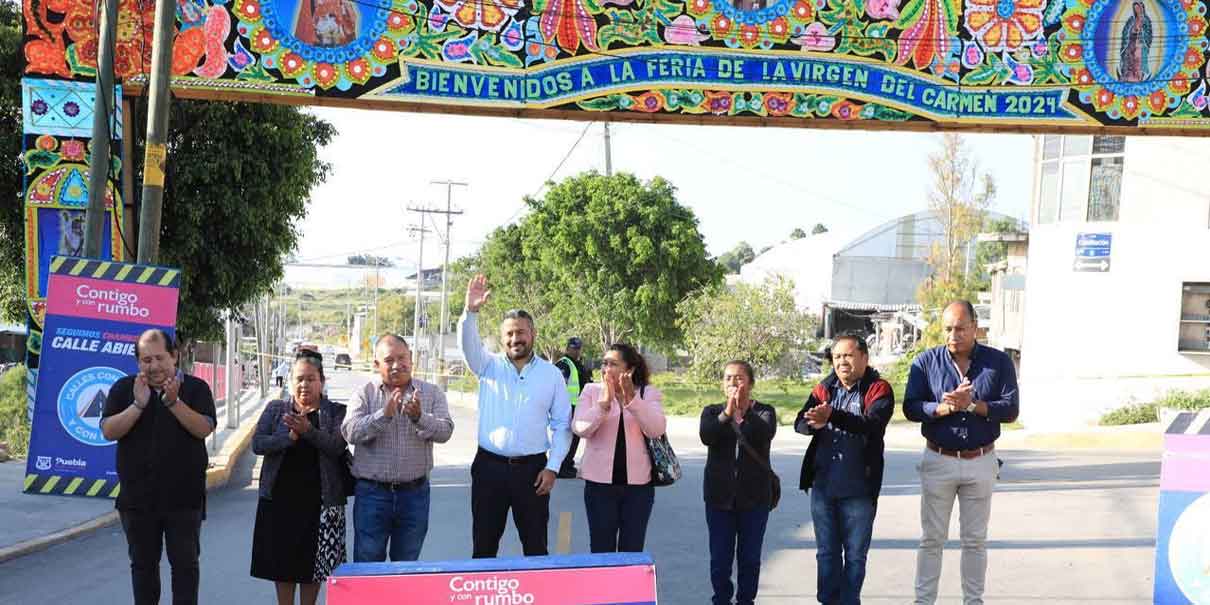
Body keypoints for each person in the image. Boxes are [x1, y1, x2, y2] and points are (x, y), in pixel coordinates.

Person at [903, 300, 1019, 605]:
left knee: (975, 541)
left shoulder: (999, 362)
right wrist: (943, 408)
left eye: (960, 328)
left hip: (980, 461)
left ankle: (973, 601)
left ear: (975, 327)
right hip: (938, 459)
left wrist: (971, 405)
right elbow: (911, 406)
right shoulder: (926, 361)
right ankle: (924, 601)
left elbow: (1010, 410)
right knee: (932, 540)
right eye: (948, 329)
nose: (953, 335)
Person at [458, 274, 573, 558]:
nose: (515, 339)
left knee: (535, 547)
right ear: (502, 338)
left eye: (521, 332)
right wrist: (470, 312)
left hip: (532, 472)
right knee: (484, 547)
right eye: (509, 333)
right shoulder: (487, 366)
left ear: (532, 334)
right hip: (489, 469)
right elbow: (468, 347)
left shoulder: (551, 375)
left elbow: (562, 425)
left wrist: (553, 467)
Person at [100, 329, 217, 605]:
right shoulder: (123, 389)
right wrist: (138, 405)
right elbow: (108, 430)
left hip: (184, 500)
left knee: (185, 568)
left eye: (160, 358)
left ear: (174, 356)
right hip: (137, 502)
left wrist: (174, 402)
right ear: (138, 362)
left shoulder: (197, 388)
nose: (153, 366)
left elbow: (204, 428)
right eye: (146, 360)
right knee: (143, 569)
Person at [795, 333, 895, 605]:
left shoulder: (879, 389)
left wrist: (832, 416)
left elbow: (872, 425)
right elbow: (799, 423)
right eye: (837, 357)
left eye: (848, 355)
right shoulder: (824, 389)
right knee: (826, 553)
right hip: (823, 486)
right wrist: (811, 422)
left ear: (864, 357)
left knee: (854, 556)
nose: (842, 362)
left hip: (859, 489)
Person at [342, 334, 454, 562]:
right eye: (388, 360)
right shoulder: (364, 394)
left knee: (406, 566)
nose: (396, 365)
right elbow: (349, 432)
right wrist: (383, 415)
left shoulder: (431, 393)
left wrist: (419, 417)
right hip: (372, 494)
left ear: (411, 359)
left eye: (402, 358)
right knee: (368, 564)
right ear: (376, 365)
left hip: (415, 495)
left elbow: (445, 431)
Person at [250, 352, 350, 605]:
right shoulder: (276, 409)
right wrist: (287, 439)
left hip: (321, 503)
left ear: (322, 381)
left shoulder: (336, 412)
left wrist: (308, 431)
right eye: (299, 379)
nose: (304, 384)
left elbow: (337, 446)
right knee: (281, 567)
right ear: (290, 382)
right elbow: (258, 443)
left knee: (314, 568)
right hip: (279, 503)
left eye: (310, 378)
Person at [572, 343, 666, 553]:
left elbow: (656, 428)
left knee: (632, 549)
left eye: (613, 364)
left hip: (638, 488)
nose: (605, 368)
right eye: (604, 363)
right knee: (601, 547)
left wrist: (631, 399)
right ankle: (602, 587)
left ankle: (627, 587)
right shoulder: (591, 391)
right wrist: (603, 405)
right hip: (599, 486)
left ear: (629, 369)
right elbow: (579, 428)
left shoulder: (647, 394)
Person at [699, 360, 777, 605]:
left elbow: (763, 434)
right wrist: (728, 413)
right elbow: (708, 435)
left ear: (751, 383)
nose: (733, 383)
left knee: (750, 558)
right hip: (719, 498)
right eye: (728, 378)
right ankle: (721, 599)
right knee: (720, 559)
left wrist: (744, 412)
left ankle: (746, 600)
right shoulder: (712, 412)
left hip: (754, 499)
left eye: (739, 378)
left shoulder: (765, 412)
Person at [556, 337, 592, 478]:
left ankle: (567, 463)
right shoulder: (564, 364)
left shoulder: (578, 364)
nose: (576, 351)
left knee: (575, 437)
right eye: (573, 348)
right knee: (567, 437)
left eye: (578, 348)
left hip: (579, 406)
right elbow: (558, 386)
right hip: (567, 406)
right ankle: (562, 466)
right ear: (567, 348)